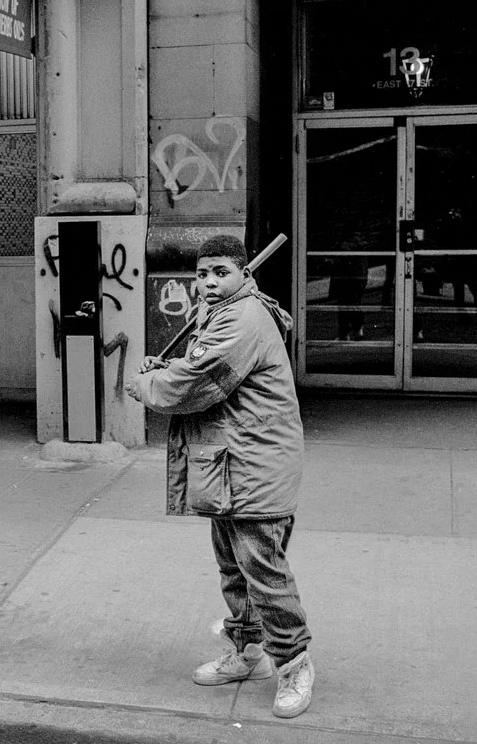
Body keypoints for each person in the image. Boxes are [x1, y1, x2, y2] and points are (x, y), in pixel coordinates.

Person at [125, 234, 314, 719]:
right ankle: (249, 653)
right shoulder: (221, 311)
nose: (209, 282)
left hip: (256, 466)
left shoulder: (244, 318)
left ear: (243, 274)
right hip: (231, 464)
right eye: (202, 273)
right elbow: (197, 366)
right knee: (234, 567)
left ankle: (294, 664)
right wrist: (167, 365)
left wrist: (145, 383)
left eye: (221, 272)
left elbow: (198, 383)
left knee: (264, 574)